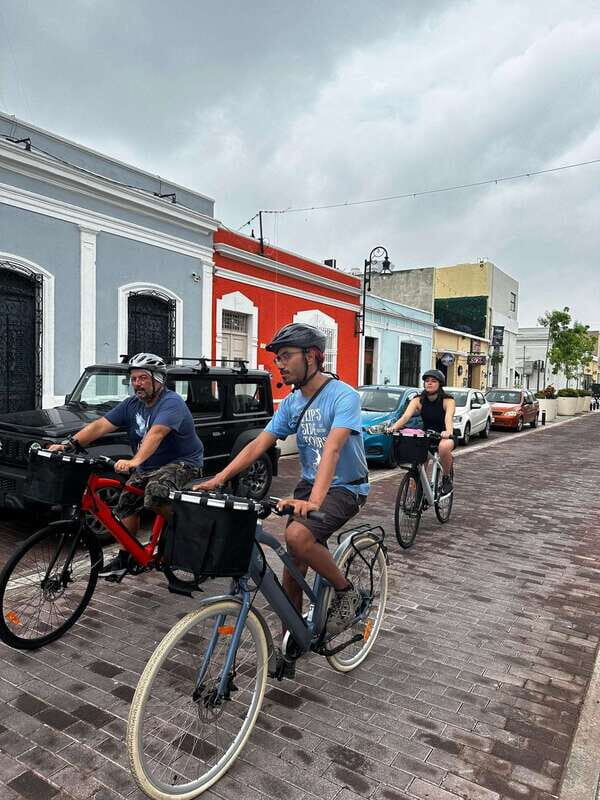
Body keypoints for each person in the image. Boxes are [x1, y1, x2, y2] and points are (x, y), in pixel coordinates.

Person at [194, 322, 369, 637]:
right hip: (309, 484)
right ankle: (295, 633)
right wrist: (219, 478)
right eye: (277, 358)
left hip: (345, 487)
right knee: (293, 562)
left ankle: (347, 593)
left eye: (286, 356)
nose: (279, 364)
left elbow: (333, 447)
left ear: (312, 356)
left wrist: (314, 501)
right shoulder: (292, 403)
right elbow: (260, 443)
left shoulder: (344, 396)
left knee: (299, 539)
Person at [49, 353, 203, 578]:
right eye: (133, 379)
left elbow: (157, 433)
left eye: (142, 378)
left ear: (158, 380)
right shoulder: (131, 404)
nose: (137, 384)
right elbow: (101, 425)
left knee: (155, 492)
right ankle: (126, 556)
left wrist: (135, 461)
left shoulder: (172, 402)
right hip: (150, 465)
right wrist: (69, 444)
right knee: (126, 504)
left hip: (183, 463)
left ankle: (188, 532)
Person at [388, 369, 456, 493]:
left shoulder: (448, 400)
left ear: (440, 384)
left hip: (444, 435)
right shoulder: (418, 400)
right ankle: (418, 493)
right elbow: (405, 417)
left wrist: (448, 432)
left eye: (433, 381)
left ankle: (446, 477)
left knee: (443, 447)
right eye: (427, 381)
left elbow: (448, 418)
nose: (429, 383)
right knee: (418, 461)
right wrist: (393, 427)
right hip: (426, 435)